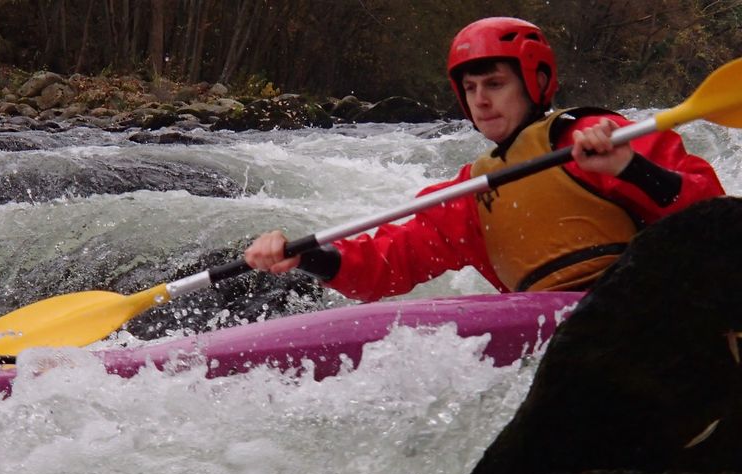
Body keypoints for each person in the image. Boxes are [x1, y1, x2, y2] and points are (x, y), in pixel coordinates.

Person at [244, 17, 724, 301]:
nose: (481, 101)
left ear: (534, 83)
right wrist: (306, 256)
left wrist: (629, 169)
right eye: (470, 89)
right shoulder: (472, 190)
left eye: (495, 84)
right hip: (558, 337)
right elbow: (386, 264)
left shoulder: (601, 138)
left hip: (651, 306)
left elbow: (711, 215)